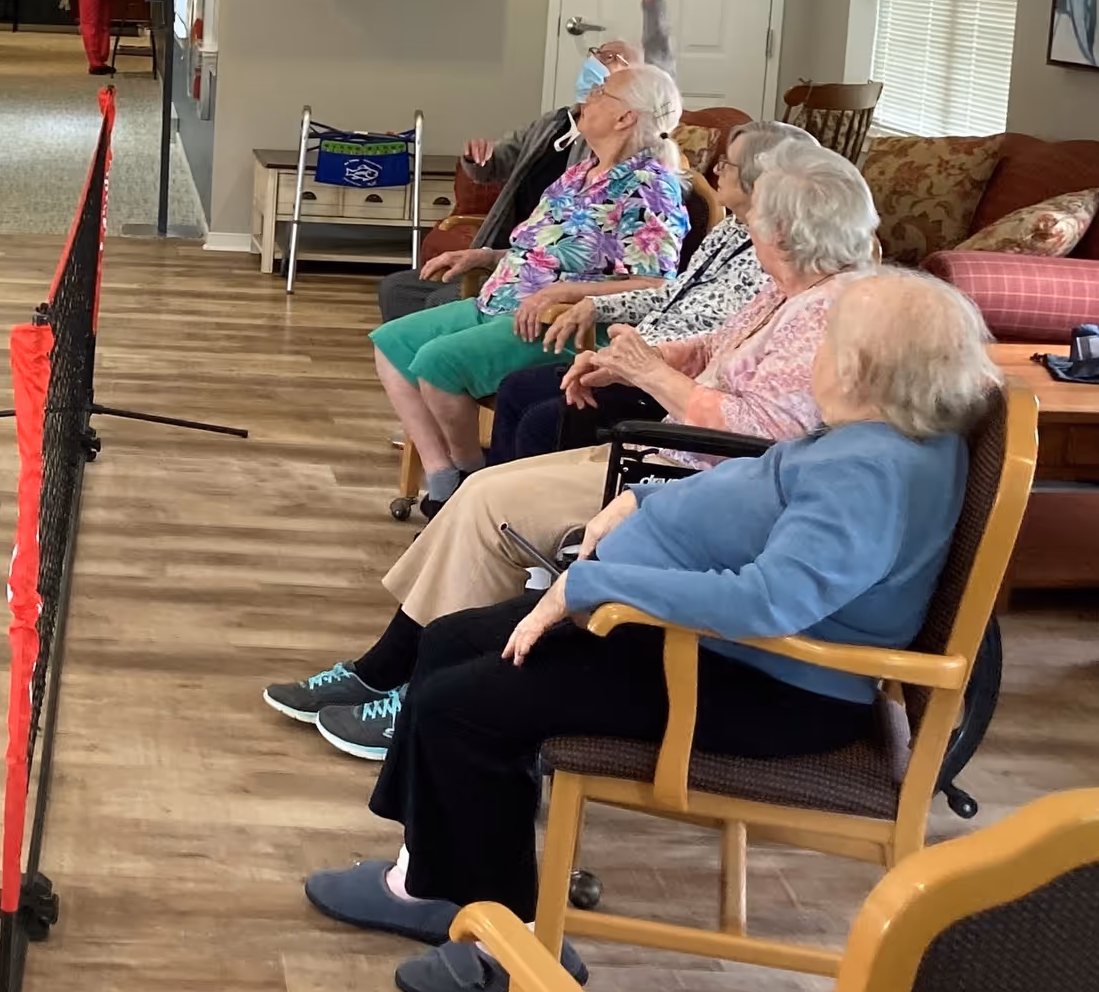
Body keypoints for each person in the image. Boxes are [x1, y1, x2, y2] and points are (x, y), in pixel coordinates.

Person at [301, 268, 1001, 992]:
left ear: (862, 369)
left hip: (757, 679)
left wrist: (595, 585)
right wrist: (643, 499)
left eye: (827, 342)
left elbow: (770, 602)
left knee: (459, 708)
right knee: (449, 642)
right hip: (695, 640)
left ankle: (517, 951)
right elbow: (760, 491)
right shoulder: (882, 433)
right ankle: (428, 886)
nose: (816, 356)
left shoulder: (873, 472)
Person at [264, 137, 880, 758]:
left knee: (487, 504)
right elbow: (714, 343)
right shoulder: (791, 290)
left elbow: (759, 434)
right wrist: (634, 361)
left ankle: (408, 685)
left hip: (691, 479)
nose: (752, 232)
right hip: (678, 458)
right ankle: (394, 670)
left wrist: (651, 375)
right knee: (482, 495)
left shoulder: (826, 315)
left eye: (762, 223)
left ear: (790, 234)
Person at [368, 64, 688, 527]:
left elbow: (657, 285)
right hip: (502, 302)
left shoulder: (649, 187)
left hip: (565, 324)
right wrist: (482, 256)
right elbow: (536, 251)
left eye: (603, 93)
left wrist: (568, 290)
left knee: (439, 365)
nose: (589, 96)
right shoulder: (578, 174)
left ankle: (470, 484)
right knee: (391, 345)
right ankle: (443, 477)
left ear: (625, 118)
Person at [377, 0, 683, 325]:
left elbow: (661, 81)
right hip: (510, 254)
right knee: (398, 290)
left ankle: (454, 373)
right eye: (597, 53)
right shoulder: (554, 123)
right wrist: (477, 160)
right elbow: (495, 166)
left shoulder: (628, 161)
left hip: (544, 282)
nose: (597, 63)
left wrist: (653, 2)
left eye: (611, 60)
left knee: (438, 307)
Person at [486, 117, 813, 466]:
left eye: (726, 163)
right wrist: (596, 306)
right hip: (648, 356)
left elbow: (722, 339)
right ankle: (494, 501)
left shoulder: (780, 252)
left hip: (680, 382)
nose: (717, 169)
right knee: (516, 388)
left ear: (758, 176)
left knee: (545, 420)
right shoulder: (731, 228)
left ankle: (535, 509)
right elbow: (672, 294)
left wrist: (643, 362)